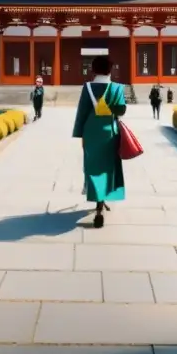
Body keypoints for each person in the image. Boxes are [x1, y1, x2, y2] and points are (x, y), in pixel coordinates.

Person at [72, 54, 126, 229]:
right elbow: (121, 110)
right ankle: (101, 203)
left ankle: (98, 203)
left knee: (93, 167)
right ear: (110, 70)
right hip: (110, 132)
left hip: (91, 132)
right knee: (108, 168)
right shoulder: (117, 88)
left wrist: (79, 134)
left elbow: (82, 113)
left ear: (93, 70)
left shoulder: (87, 87)